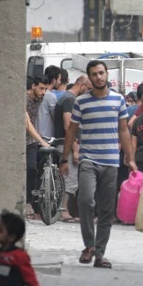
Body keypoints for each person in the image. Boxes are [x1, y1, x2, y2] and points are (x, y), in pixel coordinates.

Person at [59, 60, 136, 269]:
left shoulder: (118, 100)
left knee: (106, 209)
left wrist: (130, 159)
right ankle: (89, 245)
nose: (99, 77)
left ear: (106, 74)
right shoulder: (81, 102)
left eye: (101, 73)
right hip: (88, 159)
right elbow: (71, 131)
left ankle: (100, 254)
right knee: (85, 200)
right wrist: (64, 158)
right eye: (94, 74)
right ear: (89, 78)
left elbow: (123, 131)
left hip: (111, 161)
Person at [58, 76, 90, 223]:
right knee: (69, 179)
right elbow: (68, 127)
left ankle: (64, 209)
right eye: (88, 89)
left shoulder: (65, 97)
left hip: (64, 143)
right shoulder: (70, 100)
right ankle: (63, 210)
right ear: (82, 86)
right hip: (67, 145)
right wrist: (75, 150)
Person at [25, 76, 53, 218]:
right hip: (21, 140)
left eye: (46, 89)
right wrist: (41, 141)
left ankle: (30, 201)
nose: (43, 92)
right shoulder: (24, 99)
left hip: (30, 141)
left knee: (33, 169)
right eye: (41, 88)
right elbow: (27, 123)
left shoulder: (39, 99)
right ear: (33, 86)